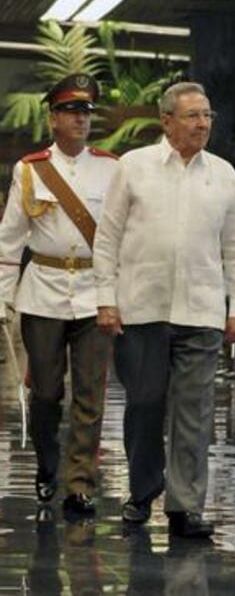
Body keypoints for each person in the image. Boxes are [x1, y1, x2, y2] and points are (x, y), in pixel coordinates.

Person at [94, 81, 235, 538]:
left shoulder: (223, 174)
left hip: (201, 312)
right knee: (144, 404)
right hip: (141, 310)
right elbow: (107, 239)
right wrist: (106, 299)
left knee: (195, 411)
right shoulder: (133, 167)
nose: (202, 123)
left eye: (207, 115)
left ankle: (185, 506)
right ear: (166, 121)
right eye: (192, 115)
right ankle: (142, 491)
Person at [0, 73, 116, 515]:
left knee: (91, 391)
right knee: (46, 391)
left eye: (85, 112)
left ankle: (80, 482)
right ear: (52, 117)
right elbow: (10, 238)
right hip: (44, 293)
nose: (80, 119)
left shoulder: (112, 168)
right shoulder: (30, 169)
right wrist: (3, 297)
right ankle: (48, 465)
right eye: (71, 111)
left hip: (94, 292)